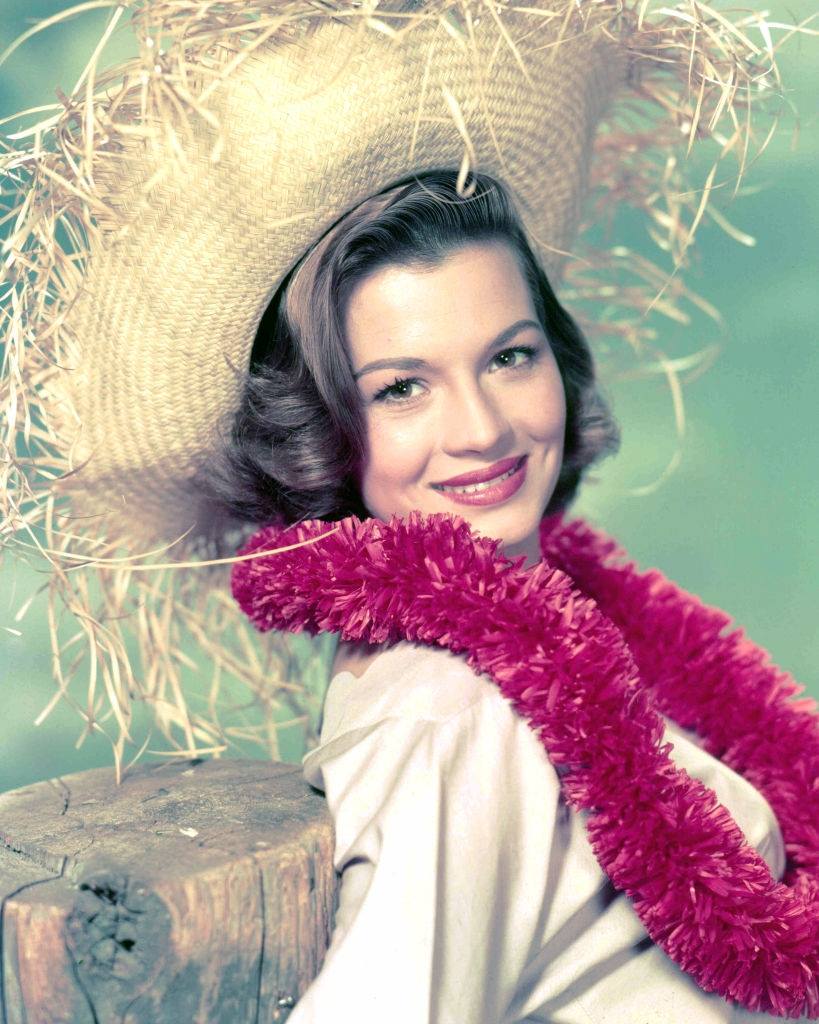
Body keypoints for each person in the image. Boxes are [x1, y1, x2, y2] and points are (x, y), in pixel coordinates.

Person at [3, 1, 817, 1021]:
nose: (481, 428)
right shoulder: (449, 713)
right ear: (317, 426)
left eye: (508, 357)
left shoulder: (556, 636)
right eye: (401, 387)